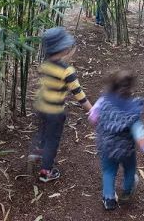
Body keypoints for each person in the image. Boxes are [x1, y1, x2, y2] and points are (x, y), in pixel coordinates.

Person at [28, 27, 93, 182]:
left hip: (41, 106)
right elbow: (79, 95)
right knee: (52, 140)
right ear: (63, 49)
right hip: (55, 112)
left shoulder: (44, 65)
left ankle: (36, 154)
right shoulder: (67, 71)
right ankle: (46, 172)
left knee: (42, 132)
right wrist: (92, 111)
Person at [90, 70, 144, 210]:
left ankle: (109, 199)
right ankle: (126, 192)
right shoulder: (132, 108)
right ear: (129, 88)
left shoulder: (103, 102)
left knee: (108, 171)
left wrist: (99, 125)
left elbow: (93, 117)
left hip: (107, 146)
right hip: (126, 150)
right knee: (129, 170)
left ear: (112, 85)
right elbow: (138, 130)